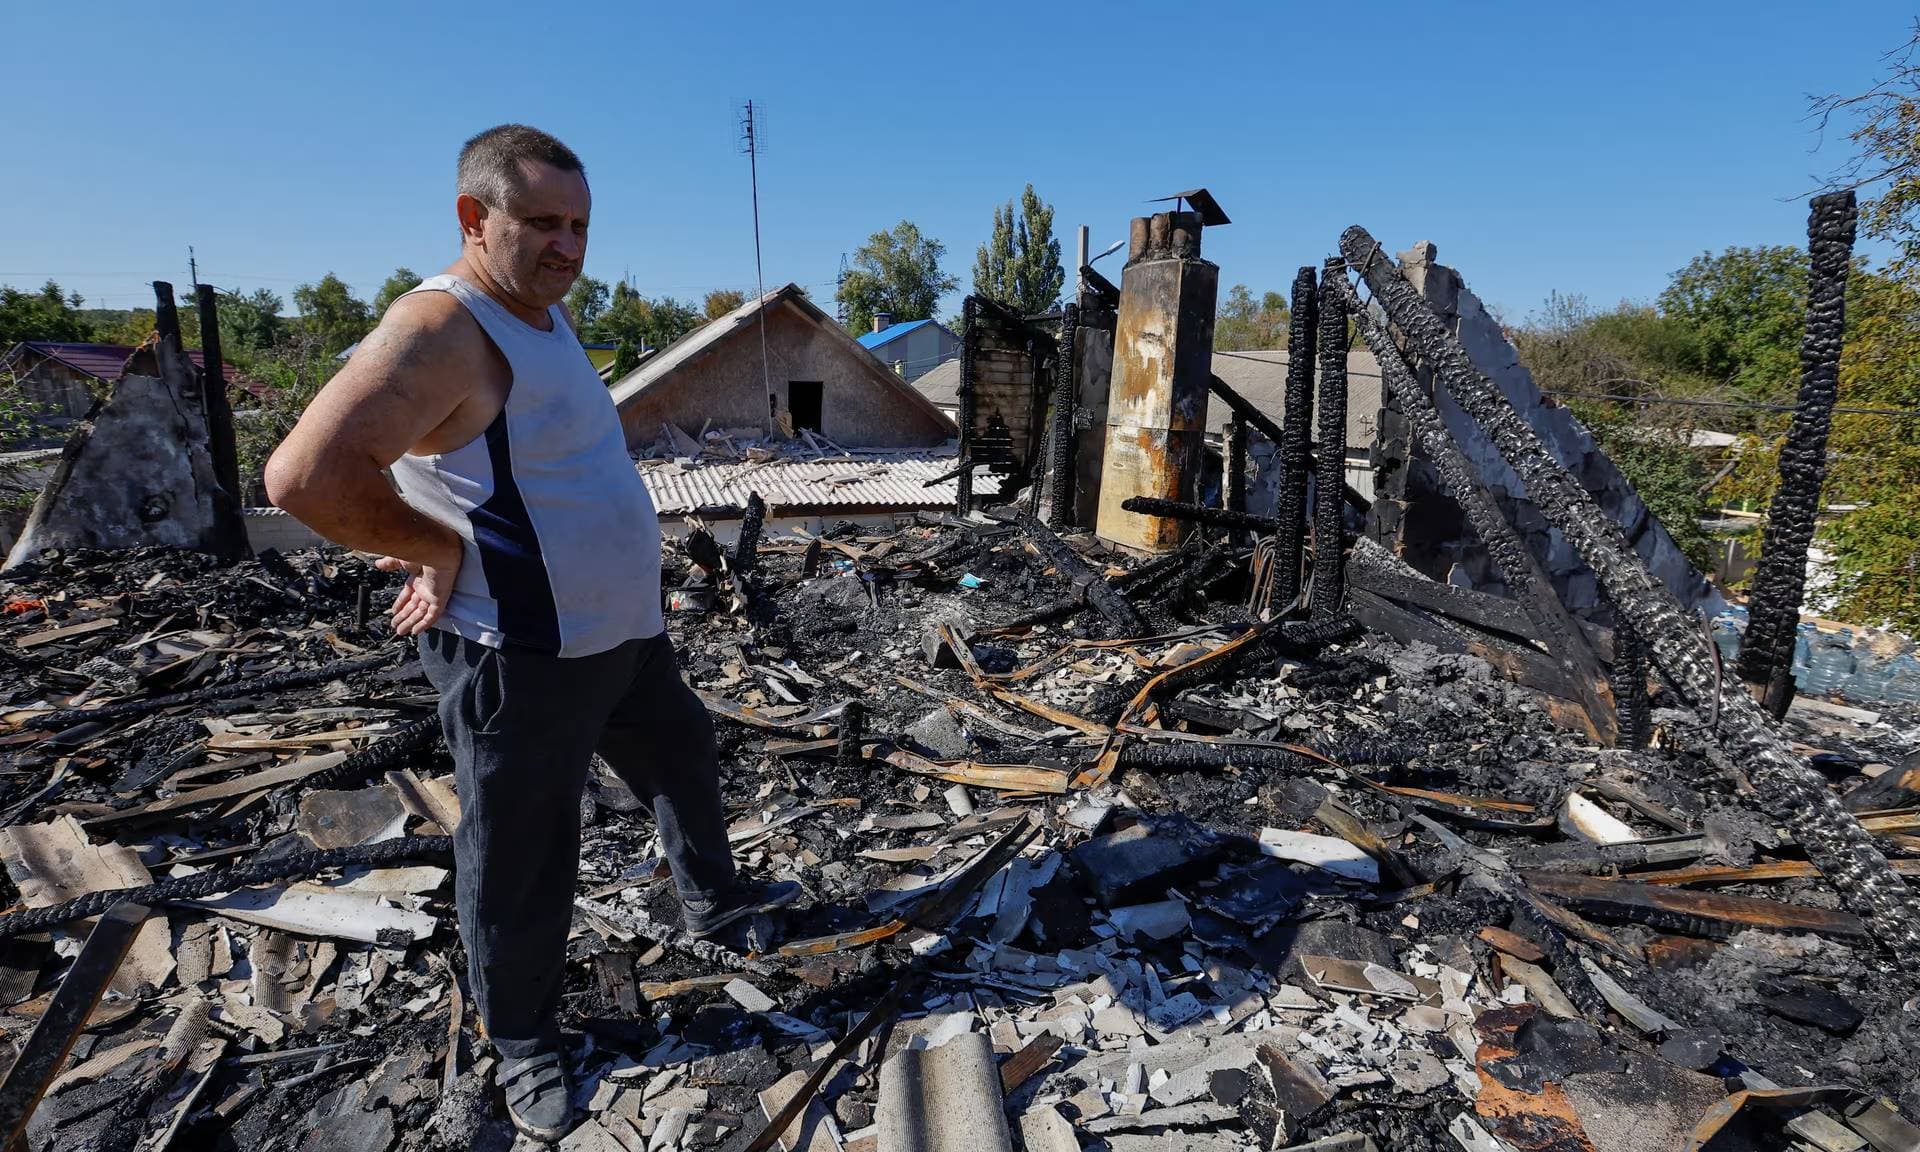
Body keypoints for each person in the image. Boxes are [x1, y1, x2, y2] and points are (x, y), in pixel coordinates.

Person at [265, 124, 797, 1141]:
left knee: (682, 756)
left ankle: (713, 903)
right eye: (544, 222)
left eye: (581, 225)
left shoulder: (538, 314)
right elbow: (304, 477)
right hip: (523, 652)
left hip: (622, 637)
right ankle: (521, 1037)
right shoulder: (441, 327)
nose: (569, 246)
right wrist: (432, 546)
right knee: (523, 849)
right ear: (475, 218)